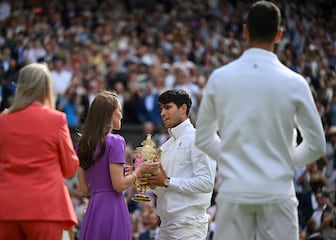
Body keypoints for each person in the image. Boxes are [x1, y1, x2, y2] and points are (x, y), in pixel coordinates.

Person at [195, 1, 326, 240]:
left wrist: (233, 158)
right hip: (278, 193)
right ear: (279, 34)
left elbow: (203, 138)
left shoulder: (219, 78)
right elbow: (316, 144)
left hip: (234, 193)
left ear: (245, 31)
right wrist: (284, 163)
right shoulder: (295, 82)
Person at [0, 63, 80, 240]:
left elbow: (2, 162)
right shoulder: (56, 119)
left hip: (7, 208)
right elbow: (69, 168)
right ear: (46, 88)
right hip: (45, 209)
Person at [76, 90, 159, 240]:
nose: (121, 115)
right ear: (109, 114)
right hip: (113, 210)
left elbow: (84, 189)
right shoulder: (115, 141)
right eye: (119, 111)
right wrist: (139, 171)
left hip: (94, 210)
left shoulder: (83, 145)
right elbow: (119, 186)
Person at [146, 89, 216, 239]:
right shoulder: (164, 147)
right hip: (165, 226)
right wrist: (151, 182)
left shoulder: (199, 139)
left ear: (183, 108)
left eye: (168, 107)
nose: (162, 113)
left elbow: (206, 183)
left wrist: (166, 181)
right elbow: (164, 190)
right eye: (161, 109)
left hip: (189, 225)